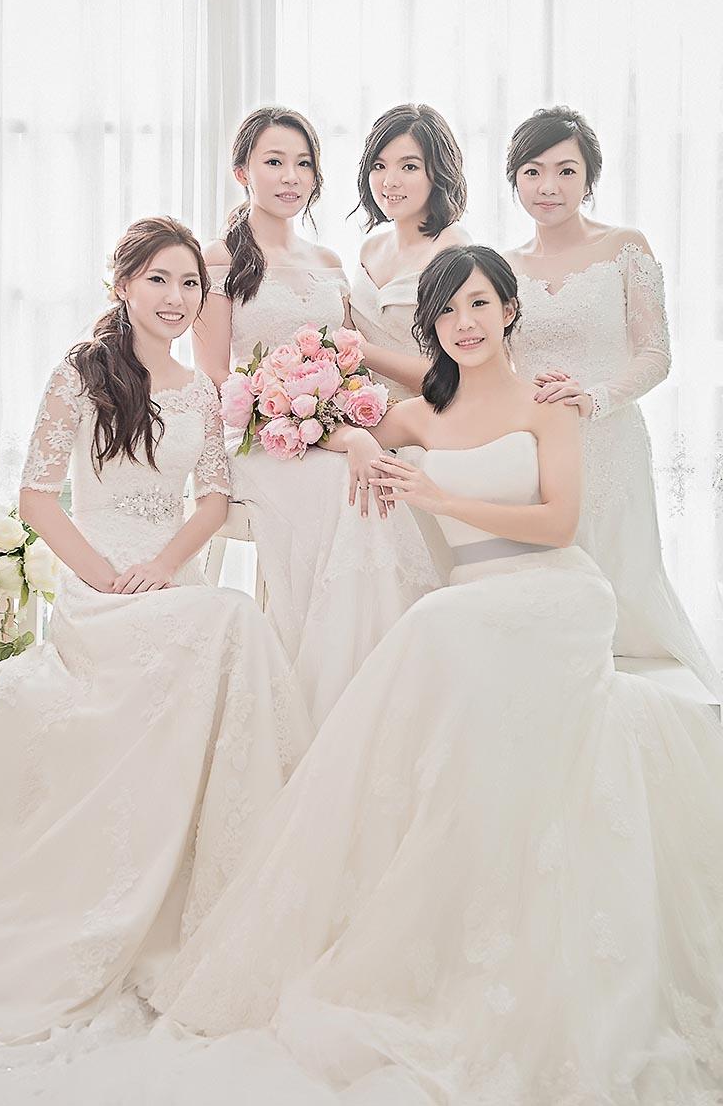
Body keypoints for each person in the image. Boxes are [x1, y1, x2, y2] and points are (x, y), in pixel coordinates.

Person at [150, 246, 723, 1103]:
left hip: (557, 592)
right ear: (432, 327)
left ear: (509, 312)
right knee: (437, 634)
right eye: (448, 310)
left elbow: (559, 523)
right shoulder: (421, 415)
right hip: (473, 602)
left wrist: (439, 499)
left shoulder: (548, 403)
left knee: (433, 626)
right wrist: (355, 440)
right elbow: (314, 426)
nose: (465, 322)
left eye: (480, 304)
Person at [0, 216, 310, 1046]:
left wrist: (165, 565)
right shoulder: (82, 373)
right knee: (232, 620)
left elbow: (213, 498)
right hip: (97, 584)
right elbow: (36, 496)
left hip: (167, 579)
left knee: (229, 620)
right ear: (124, 284)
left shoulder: (200, 392)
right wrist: (101, 574)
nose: (176, 298)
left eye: (190, 284)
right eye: (159, 280)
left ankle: (241, 879)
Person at [192, 106, 439, 727]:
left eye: (303, 164)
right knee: (345, 484)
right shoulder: (216, 260)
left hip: (327, 426)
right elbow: (216, 375)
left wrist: (339, 421)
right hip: (256, 435)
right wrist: (305, 421)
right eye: (274, 162)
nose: (291, 177)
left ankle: (378, 679)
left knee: (375, 478)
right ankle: (319, 686)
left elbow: (349, 359)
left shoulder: (329, 262)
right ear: (242, 171)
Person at [503, 104, 722, 700]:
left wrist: (594, 398)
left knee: (622, 586)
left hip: (612, 438)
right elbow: (500, 365)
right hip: (538, 448)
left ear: (589, 178)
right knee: (551, 583)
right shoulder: (505, 266)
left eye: (566, 171)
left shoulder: (625, 247)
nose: (548, 186)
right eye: (532, 171)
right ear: (515, 178)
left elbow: (656, 355)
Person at [347, 102, 471, 400]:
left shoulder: (452, 248)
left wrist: (359, 352)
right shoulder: (370, 248)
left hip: (429, 416)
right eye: (379, 166)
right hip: (363, 414)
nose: (390, 182)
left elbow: (452, 376)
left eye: (409, 167)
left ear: (438, 172)